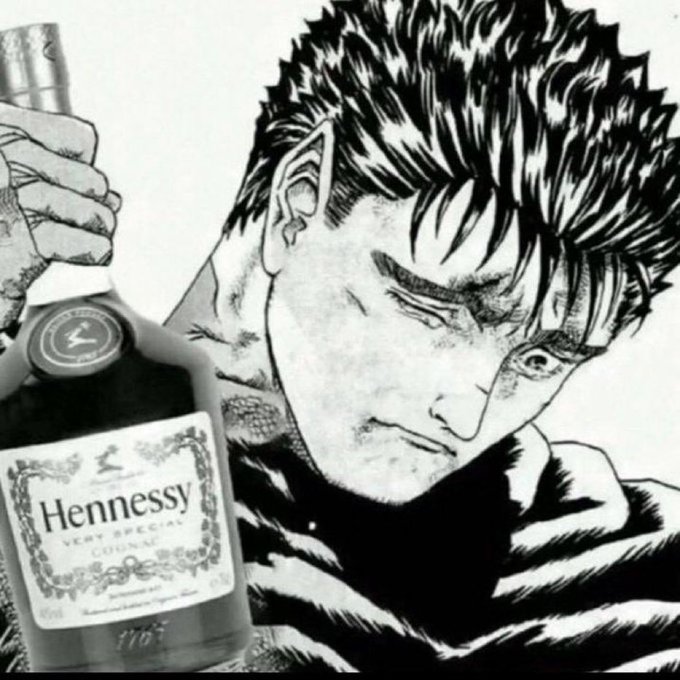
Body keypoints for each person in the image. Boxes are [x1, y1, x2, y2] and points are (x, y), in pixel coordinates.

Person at [2, 0, 680, 672]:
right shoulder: (33, 467)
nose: (466, 414)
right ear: (298, 202)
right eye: (433, 308)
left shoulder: (636, 565)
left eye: (539, 359)